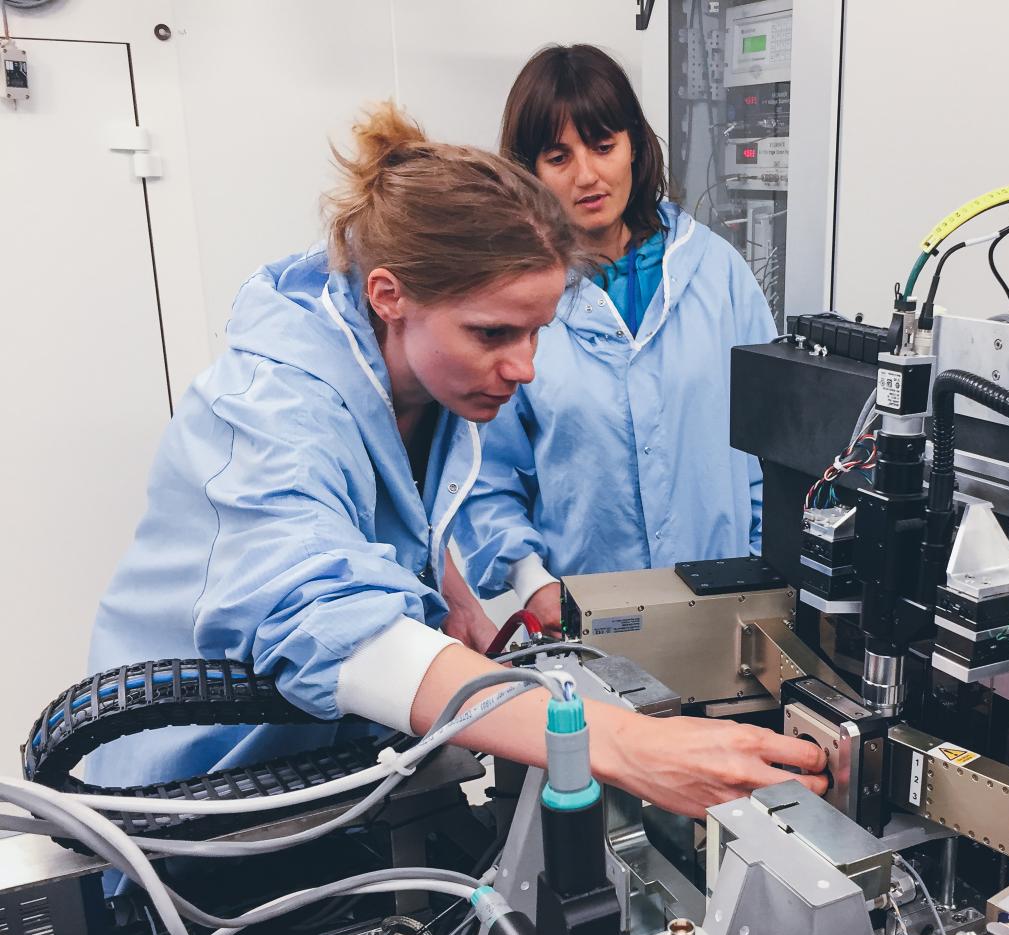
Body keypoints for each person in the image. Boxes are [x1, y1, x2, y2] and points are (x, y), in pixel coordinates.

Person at [83, 103, 824, 819]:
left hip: (333, 775)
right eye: (494, 333)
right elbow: (321, 615)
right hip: (195, 800)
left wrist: (451, 592)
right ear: (389, 294)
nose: (524, 367)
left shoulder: (427, 382)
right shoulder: (267, 409)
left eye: (537, 331)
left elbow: (382, 503)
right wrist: (629, 745)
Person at [450, 45, 773, 633]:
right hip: (583, 626)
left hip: (729, 615)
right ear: (529, 171)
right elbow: (482, 476)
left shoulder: (718, 273)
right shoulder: (511, 305)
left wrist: (760, 566)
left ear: (634, 145)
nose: (587, 176)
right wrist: (534, 584)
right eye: (558, 156)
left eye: (603, 146)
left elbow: (771, 448)